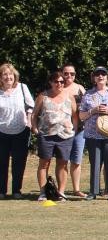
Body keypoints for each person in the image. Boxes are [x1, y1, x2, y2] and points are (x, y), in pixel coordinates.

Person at [78, 67, 108, 200]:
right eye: (97, 74)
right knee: (95, 163)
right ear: (93, 77)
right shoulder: (88, 94)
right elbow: (81, 116)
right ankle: (93, 192)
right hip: (93, 135)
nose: (100, 76)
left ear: (107, 77)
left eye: (103, 74)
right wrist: (93, 111)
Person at [30, 71, 75, 200]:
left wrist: (74, 130)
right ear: (50, 82)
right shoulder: (43, 96)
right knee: (44, 164)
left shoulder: (69, 96)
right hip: (46, 135)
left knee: (62, 164)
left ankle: (61, 192)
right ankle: (43, 192)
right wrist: (35, 128)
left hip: (65, 136)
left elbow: (75, 116)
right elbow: (34, 114)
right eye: (56, 81)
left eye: (62, 82)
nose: (59, 84)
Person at [0, 63, 35, 198]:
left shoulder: (22, 87)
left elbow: (30, 105)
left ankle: (16, 191)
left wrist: (29, 120)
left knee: (18, 163)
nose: (8, 77)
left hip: (21, 130)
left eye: (10, 74)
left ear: (14, 76)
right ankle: (1, 191)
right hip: (2, 131)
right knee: (1, 162)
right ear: (1, 77)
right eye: (5, 74)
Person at [61, 64, 87, 198]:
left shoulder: (80, 88)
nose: (69, 76)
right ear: (62, 74)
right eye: (66, 73)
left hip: (80, 130)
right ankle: (62, 189)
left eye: (72, 74)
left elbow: (87, 107)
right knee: (63, 161)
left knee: (76, 161)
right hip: (63, 131)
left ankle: (76, 189)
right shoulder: (58, 88)